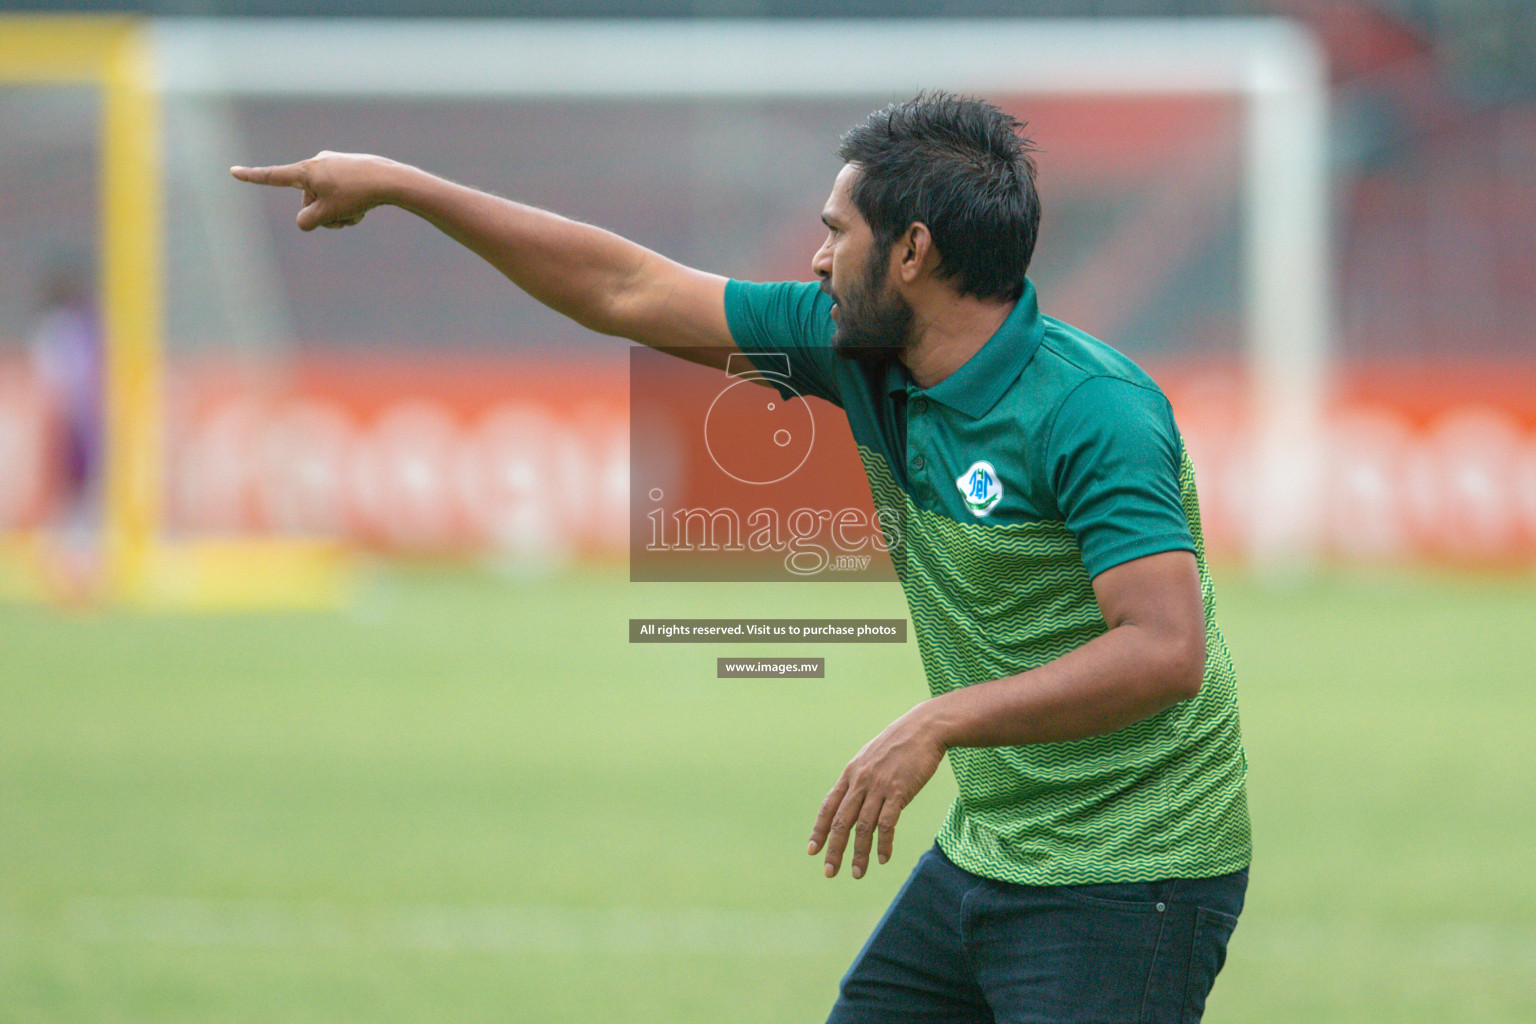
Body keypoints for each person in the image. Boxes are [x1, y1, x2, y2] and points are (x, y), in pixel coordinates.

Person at [233, 91, 1250, 1024]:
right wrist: (407, 188)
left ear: (912, 252)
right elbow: (625, 288)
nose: (815, 259)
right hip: (997, 845)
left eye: (835, 232)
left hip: (1133, 872)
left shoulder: (1092, 410)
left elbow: (1164, 648)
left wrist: (940, 721)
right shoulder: (854, 350)